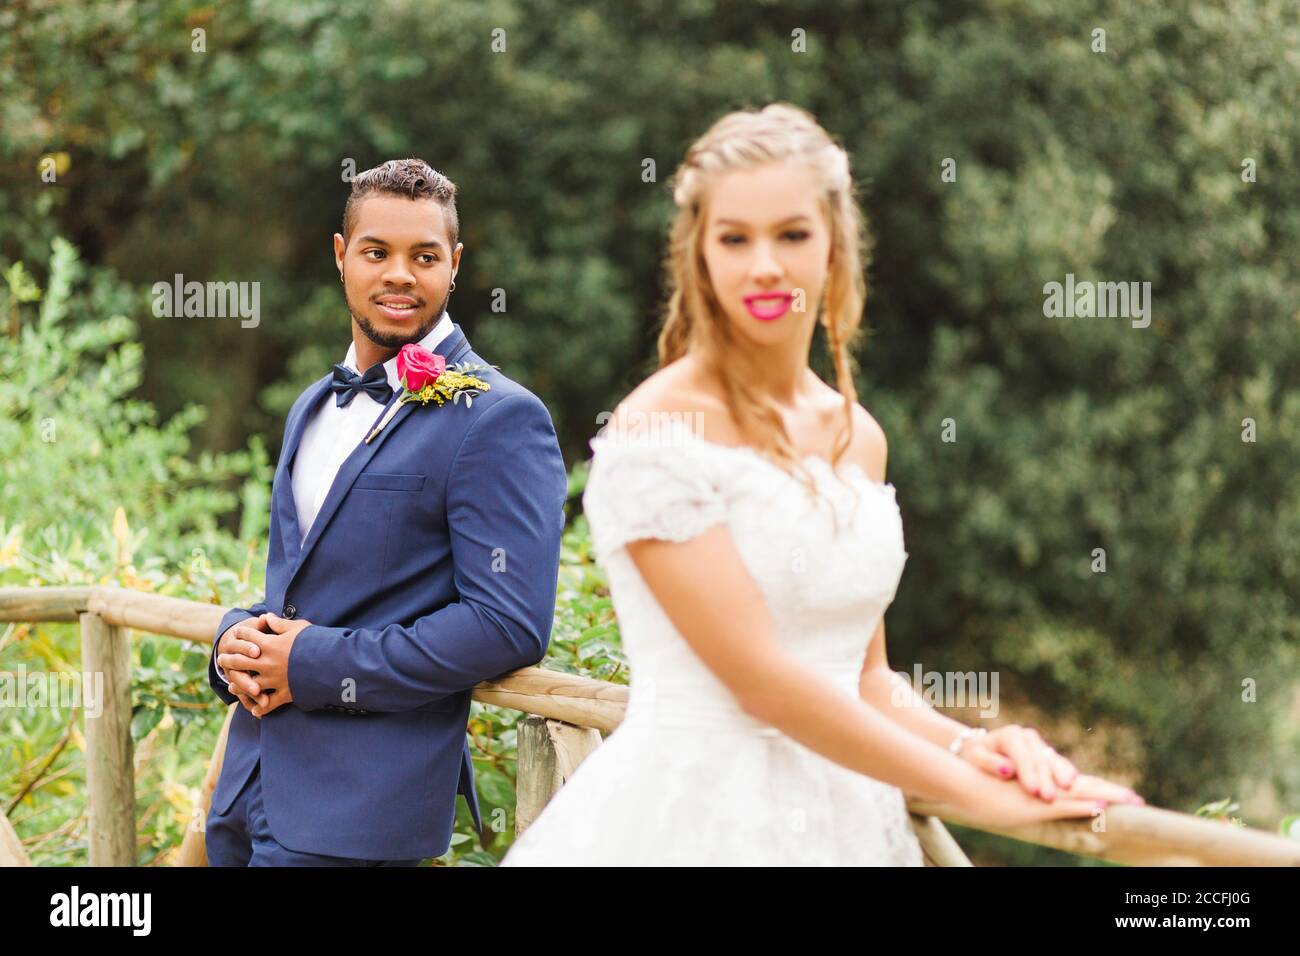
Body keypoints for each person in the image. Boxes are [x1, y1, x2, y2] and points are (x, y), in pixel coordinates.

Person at [501, 104, 1142, 866]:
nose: (764, 264)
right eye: (735, 238)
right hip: (690, 828)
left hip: (849, 827)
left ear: (835, 246)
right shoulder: (659, 429)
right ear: (698, 254)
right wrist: (980, 801)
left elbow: (864, 678)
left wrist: (980, 749)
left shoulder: (857, 435)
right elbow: (764, 685)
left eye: (792, 234)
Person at [205, 158, 568, 866]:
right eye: (377, 252)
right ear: (342, 256)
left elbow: (507, 624)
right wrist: (235, 637)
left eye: (424, 256)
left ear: (454, 266)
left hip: (356, 815)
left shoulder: (498, 418)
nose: (400, 274)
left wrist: (309, 662)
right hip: (248, 791)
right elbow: (312, 589)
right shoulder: (314, 403)